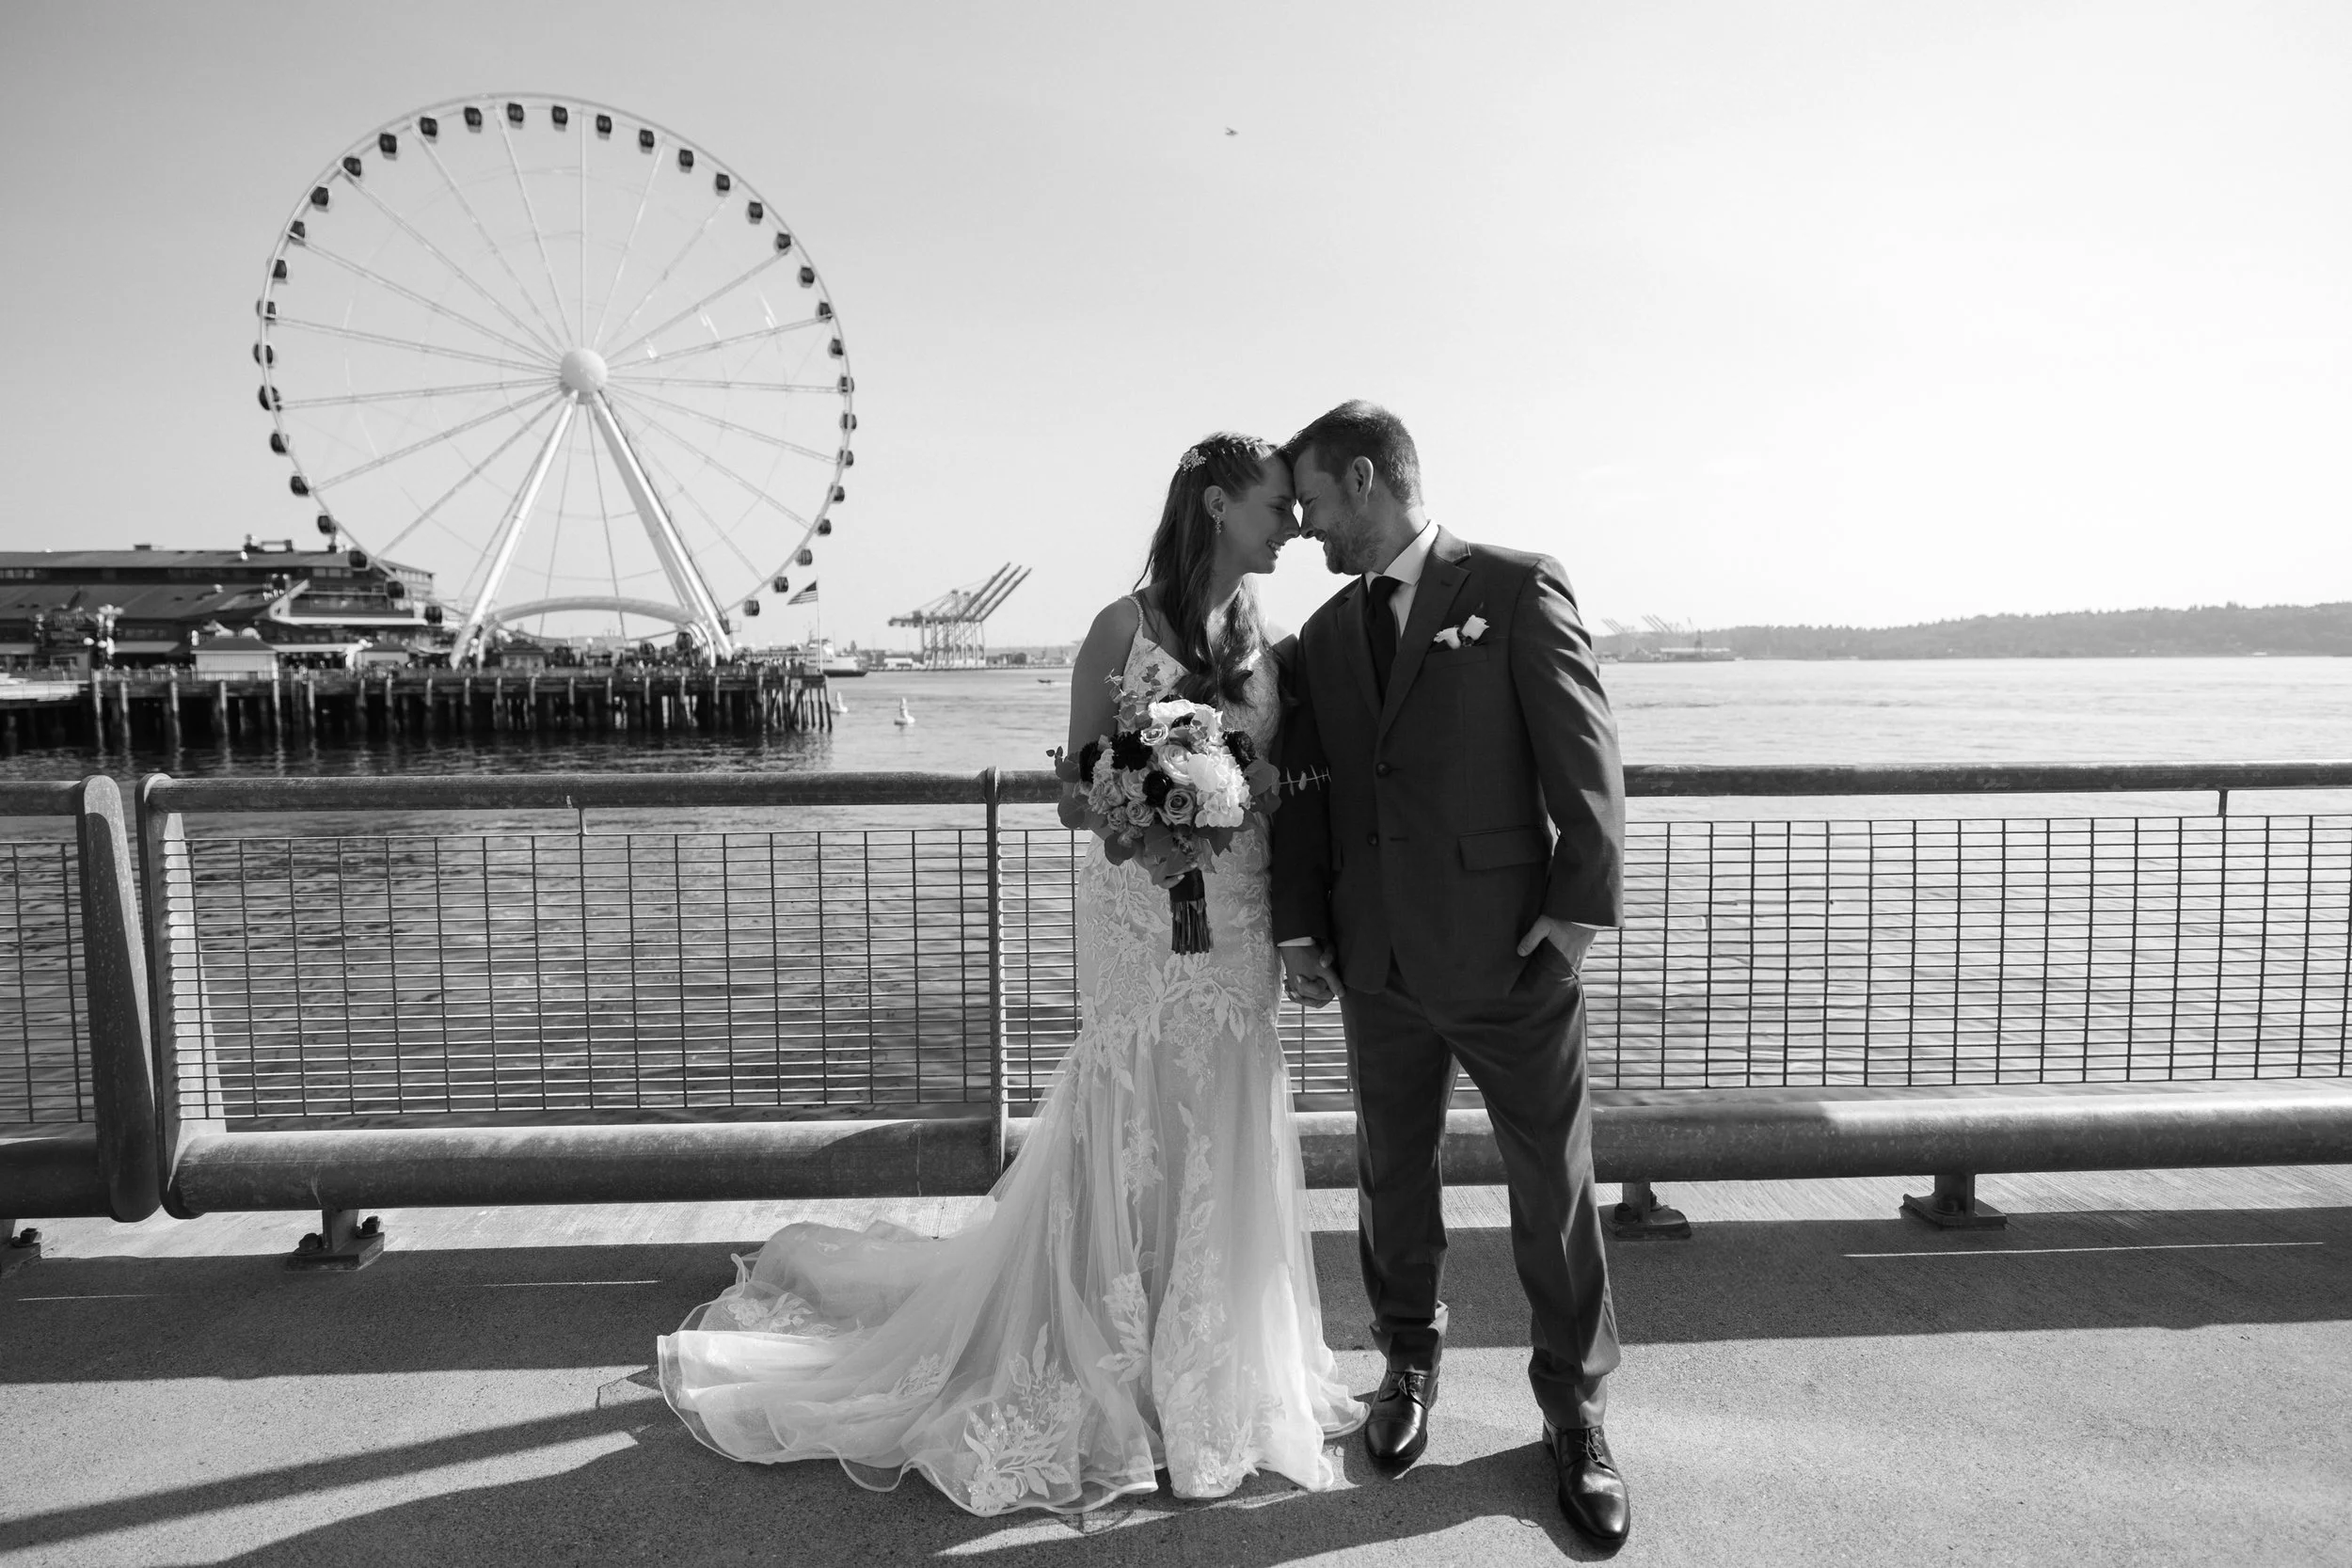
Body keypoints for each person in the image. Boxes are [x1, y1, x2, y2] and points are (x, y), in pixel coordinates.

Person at [658, 432, 1363, 1516]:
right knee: (1128, 1104)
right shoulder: (1115, 630)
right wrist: (1147, 803)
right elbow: (1074, 789)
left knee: (1223, 1105)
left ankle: (1213, 1365)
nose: (1295, 523)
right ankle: (1112, 1356)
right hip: (1136, 918)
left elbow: (1284, 784)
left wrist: (1243, 809)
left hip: (1239, 920)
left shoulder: (1268, 638)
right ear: (1219, 505)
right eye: (1279, 504)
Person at [1270, 401, 1632, 1547]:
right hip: (1376, 962)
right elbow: (1307, 790)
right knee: (1392, 1173)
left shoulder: (1518, 588)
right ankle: (1406, 1364)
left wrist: (1575, 916)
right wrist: (1296, 927)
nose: (1307, 527)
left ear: (1369, 480)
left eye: (1317, 502)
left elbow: (1587, 758)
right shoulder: (1322, 637)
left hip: (1508, 954)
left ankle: (1573, 1415)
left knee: (1552, 1187)